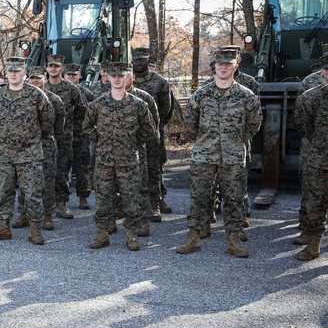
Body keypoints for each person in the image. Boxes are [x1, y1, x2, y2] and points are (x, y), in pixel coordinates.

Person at [175, 49, 262, 257]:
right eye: (219, 64)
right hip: (204, 155)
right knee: (199, 197)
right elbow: (190, 124)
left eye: (228, 63)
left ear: (235, 65)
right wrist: (204, 142)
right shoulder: (201, 95)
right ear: (214, 66)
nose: (223, 67)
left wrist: (236, 141)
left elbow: (254, 124)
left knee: (234, 198)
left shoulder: (246, 95)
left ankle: (233, 239)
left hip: (233, 155)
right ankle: (194, 236)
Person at [83, 62, 155, 251]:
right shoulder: (97, 104)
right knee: (104, 197)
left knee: (131, 197)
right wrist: (100, 140)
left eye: (120, 76)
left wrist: (132, 142)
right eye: (113, 76)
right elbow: (87, 127)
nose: (116, 79)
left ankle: (132, 233)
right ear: (108, 78)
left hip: (129, 159)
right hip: (104, 159)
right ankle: (103, 233)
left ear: (127, 77)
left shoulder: (138, 104)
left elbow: (149, 130)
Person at [0, 56, 53, 245]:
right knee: (3, 191)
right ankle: (3, 227)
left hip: (29, 154)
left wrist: (30, 138)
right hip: (5, 153)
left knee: (32, 193)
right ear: (6, 73)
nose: (14, 74)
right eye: (10, 71)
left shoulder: (36, 95)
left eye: (17, 71)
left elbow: (47, 121)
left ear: (24, 73)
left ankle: (35, 230)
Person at [131, 47, 173, 221]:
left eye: (143, 60)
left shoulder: (160, 82)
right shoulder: (125, 80)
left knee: (154, 167)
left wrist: (157, 125)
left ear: (148, 61)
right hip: (131, 133)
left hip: (153, 132)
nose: (140, 63)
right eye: (136, 60)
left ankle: (156, 201)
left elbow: (166, 108)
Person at [44, 54, 88, 219]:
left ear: (61, 68)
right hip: (44, 138)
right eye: (51, 66)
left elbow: (82, 111)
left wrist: (72, 128)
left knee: (63, 172)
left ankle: (62, 205)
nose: (53, 69)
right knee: (44, 172)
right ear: (47, 69)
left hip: (64, 138)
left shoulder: (71, 89)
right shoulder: (41, 87)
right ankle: (45, 205)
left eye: (56, 66)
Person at [293, 63, 328, 260]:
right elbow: (301, 124)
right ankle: (314, 243)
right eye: (326, 69)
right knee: (316, 204)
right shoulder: (312, 96)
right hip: (319, 158)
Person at [25, 66, 65, 231]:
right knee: (25, 182)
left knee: (47, 180)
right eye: (32, 78)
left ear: (45, 79)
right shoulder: (23, 97)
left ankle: (48, 216)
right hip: (26, 145)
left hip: (46, 144)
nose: (35, 81)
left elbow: (59, 126)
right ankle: (23, 214)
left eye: (38, 78)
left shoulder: (54, 100)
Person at [65, 63, 95, 209]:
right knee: (62, 168)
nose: (71, 77)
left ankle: (83, 197)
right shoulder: (59, 92)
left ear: (80, 76)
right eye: (69, 75)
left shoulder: (87, 94)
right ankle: (61, 201)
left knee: (82, 168)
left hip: (81, 136)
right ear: (65, 75)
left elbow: (94, 112)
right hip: (63, 136)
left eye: (74, 75)